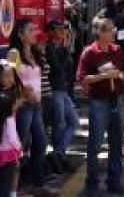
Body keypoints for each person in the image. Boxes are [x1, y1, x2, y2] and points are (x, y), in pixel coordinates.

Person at [77, 16, 124, 196]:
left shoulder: (118, 50)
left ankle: (114, 180)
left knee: (117, 143)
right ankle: (92, 184)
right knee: (95, 144)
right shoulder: (89, 52)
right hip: (99, 102)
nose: (113, 32)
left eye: (113, 28)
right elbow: (83, 79)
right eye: (109, 29)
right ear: (99, 33)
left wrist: (120, 75)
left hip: (117, 100)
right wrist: (104, 76)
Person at [8, 19, 49, 192]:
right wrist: (25, 92)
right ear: (20, 35)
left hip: (36, 106)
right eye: (31, 30)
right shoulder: (14, 54)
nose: (35, 32)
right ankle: (17, 187)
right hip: (24, 106)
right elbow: (11, 78)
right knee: (20, 146)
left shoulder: (34, 52)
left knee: (40, 142)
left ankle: (36, 182)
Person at [45, 21, 80, 172]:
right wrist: (65, 53)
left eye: (63, 29)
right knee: (59, 124)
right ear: (51, 31)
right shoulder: (49, 47)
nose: (62, 32)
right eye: (59, 29)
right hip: (55, 89)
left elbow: (70, 67)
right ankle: (59, 156)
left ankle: (58, 152)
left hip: (63, 89)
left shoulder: (60, 47)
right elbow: (58, 68)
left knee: (73, 121)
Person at [0, 62, 23, 197]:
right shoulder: (10, 98)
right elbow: (11, 127)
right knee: (15, 167)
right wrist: (17, 145)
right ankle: (12, 194)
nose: (11, 79)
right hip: (8, 143)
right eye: (7, 76)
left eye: (12, 75)